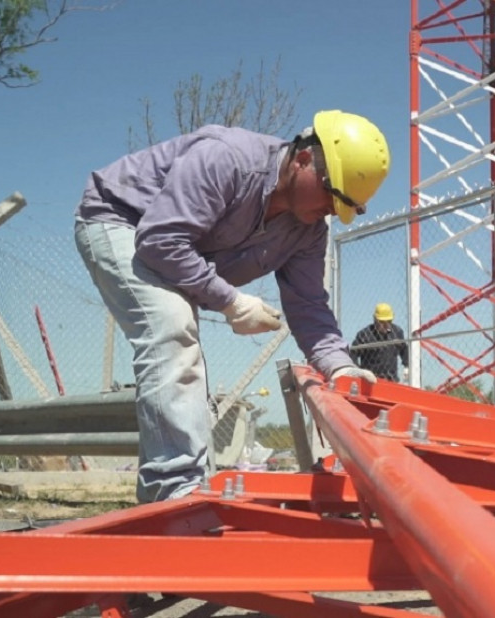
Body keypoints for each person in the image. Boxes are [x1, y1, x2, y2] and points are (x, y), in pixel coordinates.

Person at [74, 110, 390, 503]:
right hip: (122, 220)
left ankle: (191, 483)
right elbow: (161, 242)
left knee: (183, 338)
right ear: (305, 159)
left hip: (167, 243)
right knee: (172, 325)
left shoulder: (307, 229)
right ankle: (171, 494)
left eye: (346, 207)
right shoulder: (228, 160)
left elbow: (309, 306)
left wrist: (340, 365)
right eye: (331, 194)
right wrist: (231, 301)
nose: (332, 210)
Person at [351, 303, 409, 382]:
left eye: (389, 321)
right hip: (370, 380)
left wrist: (407, 366)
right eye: (382, 322)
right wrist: (358, 371)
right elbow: (353, 353)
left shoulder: (397, 332)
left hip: (391, 379)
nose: (386, 325)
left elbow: (404, 349)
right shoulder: (365, 335)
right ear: (375, 320)